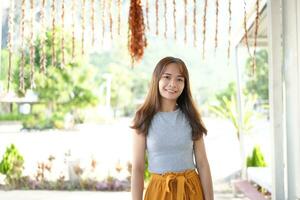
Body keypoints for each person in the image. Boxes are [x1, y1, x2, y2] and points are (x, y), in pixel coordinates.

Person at [131, 56, 214, 200]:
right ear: (157, 79)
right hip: (159, 192)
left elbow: (202, 163)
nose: (173, 84)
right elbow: (138, 167)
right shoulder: (143, 117)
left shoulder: (192, 116)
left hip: (191, 190)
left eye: (179, 79)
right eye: (167, 77)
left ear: (185, 84)